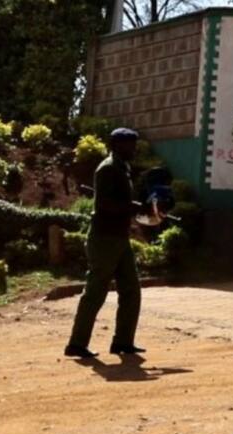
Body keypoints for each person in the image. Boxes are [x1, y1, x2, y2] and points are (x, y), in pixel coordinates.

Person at [63, 128, 146, 359]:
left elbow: (119, 201)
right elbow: (104, 206)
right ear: (116, 145)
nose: (134, 149)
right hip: (104, 238)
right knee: (95, 292)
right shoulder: (108, 168)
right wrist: (132, 207)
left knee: (131, 290)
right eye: (130, 144)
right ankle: (76, 344)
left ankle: (123, 341)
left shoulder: (122, 168)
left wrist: (135, 207)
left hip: (119, 238)